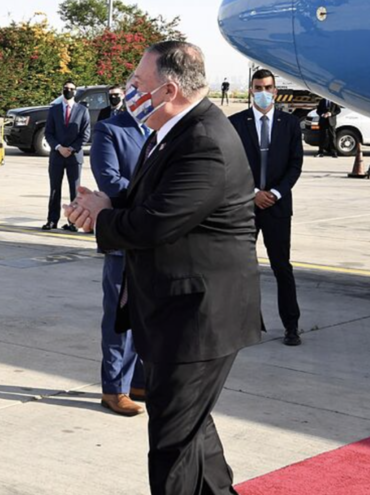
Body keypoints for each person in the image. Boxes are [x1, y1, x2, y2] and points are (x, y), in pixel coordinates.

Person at [65, 41, 261, 494]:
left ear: (169, 89)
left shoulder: (203, 142)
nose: (129, 90)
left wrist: (103, 216)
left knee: (172, 447)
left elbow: (156, 223)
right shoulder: (175, 130)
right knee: (193, 433)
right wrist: (108, 203)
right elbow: (151, 199)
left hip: (197, 319)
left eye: (137, 83)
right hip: (178, 313)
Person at [229, 69, 304, 346]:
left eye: (268, 87)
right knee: (241, 269)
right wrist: (251, 194)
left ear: (275, 90)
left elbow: (295, 164)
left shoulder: (289, 124)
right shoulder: (236, 123)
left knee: (281, 267)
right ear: (251, 90)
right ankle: (244, 326)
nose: (263, 92)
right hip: (244, 207)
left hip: (277, 207)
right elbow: (230, 165)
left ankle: (291, 325)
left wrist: (273, 193)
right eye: (258, 87)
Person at [89, 105, 148, 416]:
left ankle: (138, 381)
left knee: (145, 314)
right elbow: (110, 180)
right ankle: (114, 389)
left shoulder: (162, 128)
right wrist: (156, 193)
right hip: (123, 237)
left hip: (151, 236)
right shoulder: (110, 130)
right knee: (119, 316)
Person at [42, 79, 90, 232]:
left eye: (71, 89)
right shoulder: (54, 110)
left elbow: (85, 134)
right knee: (54, 189)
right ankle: (52, 220)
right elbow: (48, 132)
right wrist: (58, 147)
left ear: (75, 92)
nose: (68, 91)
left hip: (74, 157)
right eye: (66, 88)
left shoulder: (82, 110)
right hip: (57, 156)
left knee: (74, 190)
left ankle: (73, 222)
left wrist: (71, 148)